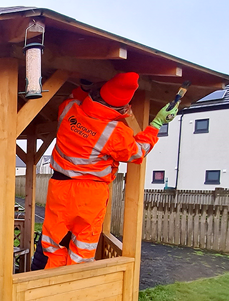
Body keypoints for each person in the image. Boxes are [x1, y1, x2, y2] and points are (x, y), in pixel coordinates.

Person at [41, 72, 177, 268]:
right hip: (90, 194)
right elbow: (138, 153)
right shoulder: (116, 133)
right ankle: (74, 292)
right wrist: (156, 125)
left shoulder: (69, 109)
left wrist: (85, 87)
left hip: (59, 188)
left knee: (52, 245)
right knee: (82, 250)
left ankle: (47, 289)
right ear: (124, 107)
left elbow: (75, 97)